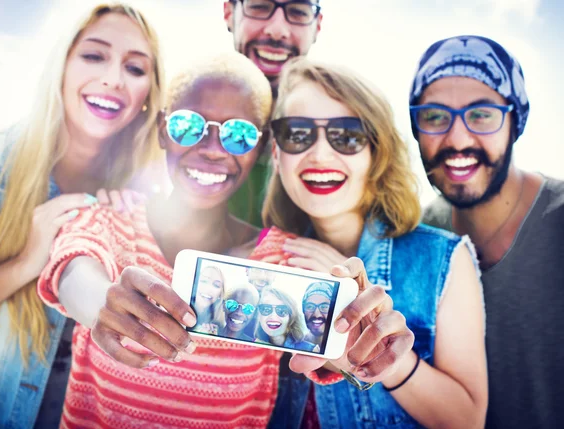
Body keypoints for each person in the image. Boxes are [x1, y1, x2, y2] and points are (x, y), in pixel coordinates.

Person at [38, 51, 413, 428]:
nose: (213, 149)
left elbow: (333, 346)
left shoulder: (281, 261)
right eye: (188, 126)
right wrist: (101, 302)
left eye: (239, 135)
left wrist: (358, 349)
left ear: (262, 147)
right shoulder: (109, 219)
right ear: (161, 132)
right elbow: (72, 271)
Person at [258, 58, 488, 428]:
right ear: (276, 154)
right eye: (297, 134)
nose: (319, 154)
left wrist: (377, 352)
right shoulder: (266, 263)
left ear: (375, 153)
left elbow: (467, 421)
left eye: (347, 136)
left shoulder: (442, 258)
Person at [0, 3, 164, 428]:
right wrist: (26, 264)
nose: (112, 77)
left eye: (135, 67)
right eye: (94, 55)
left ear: (150, 91)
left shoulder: (143, 202)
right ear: (61, 66)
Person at [412, 35, 564, 429]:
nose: (458, 139)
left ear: (516, 120)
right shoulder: (420, 237)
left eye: (481, 114)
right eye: (435, 116)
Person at [224, 0, 323, 226]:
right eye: (259, 6)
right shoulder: (182, 117)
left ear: (317, 26)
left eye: (298, 12)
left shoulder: (338, 141)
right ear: (229, 13)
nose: (277, 31)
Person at [256, 286, 318, 352]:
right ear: (259, 316)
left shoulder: (310, 350)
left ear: (291, 318)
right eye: (266, 309)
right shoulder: (249, 347)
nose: (273, 316)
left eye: (282, 311)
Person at [192, 265, 226, 334]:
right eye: (204, 281)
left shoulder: (217, 329)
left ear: (220, 294)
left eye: (216, 285)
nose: (208, 288)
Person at [302, 281, 333, 347]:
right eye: (310, 306)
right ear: (303, 311)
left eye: (324, 307)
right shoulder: (295, 345)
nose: (317, 314)